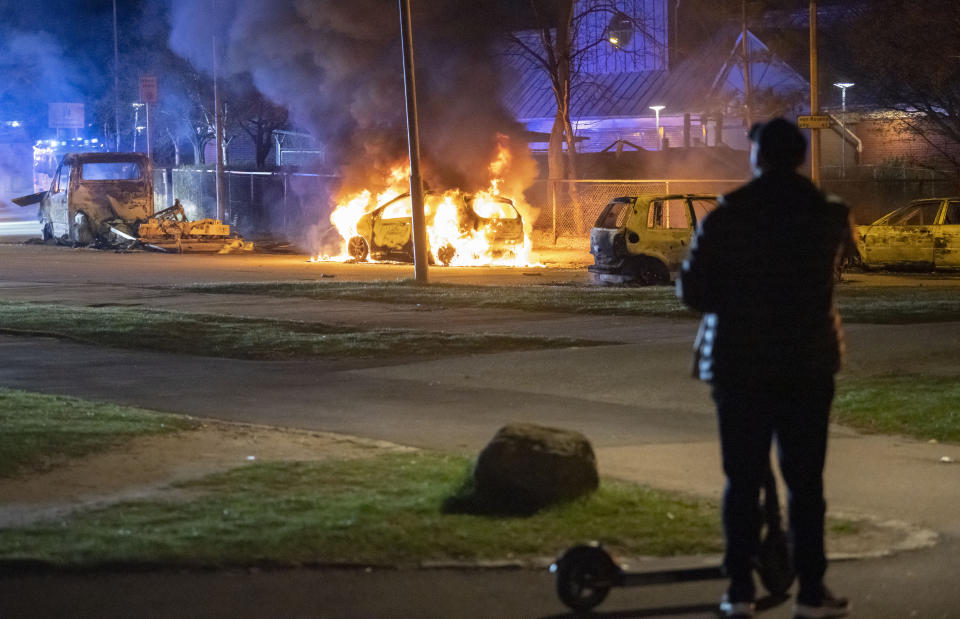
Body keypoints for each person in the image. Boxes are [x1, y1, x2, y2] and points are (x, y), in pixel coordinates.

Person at [677, 118, 854, 619]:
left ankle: (739, 590)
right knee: (806, 484)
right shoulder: (829, 216)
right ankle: (812, 590)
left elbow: (694, 292)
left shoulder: (728, 216)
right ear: (798, 157)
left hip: (738, 365)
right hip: (806, 364)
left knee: (742, 481)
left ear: (757, 158)